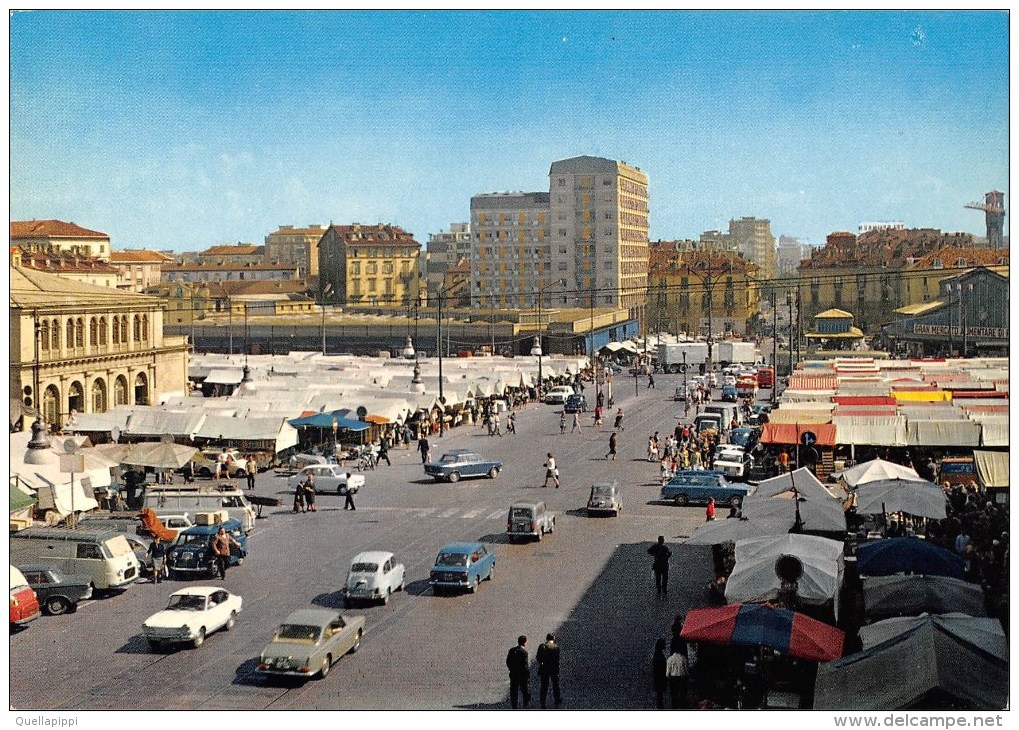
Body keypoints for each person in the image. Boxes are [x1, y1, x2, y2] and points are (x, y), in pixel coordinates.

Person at [536, 632, 562, 709]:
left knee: (544, 686)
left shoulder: (542, 646)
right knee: (555, 685)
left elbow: (538, 658)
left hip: (544, 668)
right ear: (553, 639)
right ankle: (557, 699)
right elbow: (557, 660)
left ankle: (543, 703)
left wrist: (542, 662)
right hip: (554, 669)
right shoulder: (556, 647)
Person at [506, 635, 530, 709]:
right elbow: (525, 665)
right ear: (525, 642)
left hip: (513, 674)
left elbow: (508, 661)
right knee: (524, 690)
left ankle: (514, 706)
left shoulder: (512, 650)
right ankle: (525, 705)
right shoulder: (524, 652)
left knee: (514, 691)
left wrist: (511, 669)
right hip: (522, 675)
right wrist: (528, 675)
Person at [652, 639, 668, 709]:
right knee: (659, 695)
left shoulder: (656, 654)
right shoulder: (659, 656)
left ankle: (659, 707)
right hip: (660, 677)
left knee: (659, 695)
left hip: (658, 677)